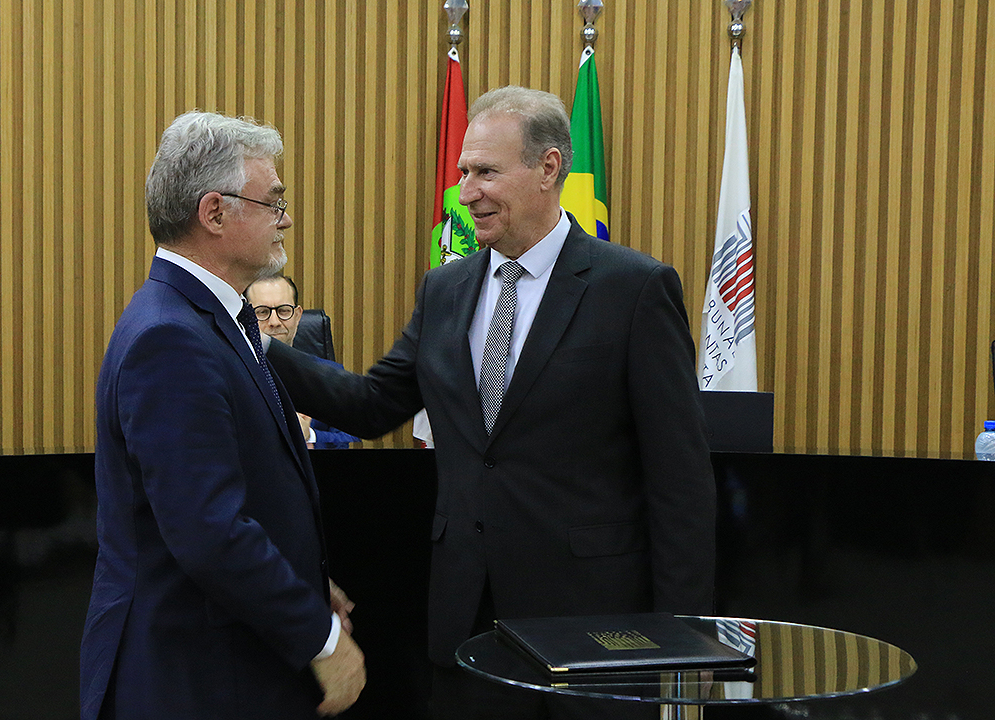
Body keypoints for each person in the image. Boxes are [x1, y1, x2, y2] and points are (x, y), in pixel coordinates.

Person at [267, 86, 716, 719]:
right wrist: (255, 343)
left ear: (549, 168)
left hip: (591, 628)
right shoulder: (445, 288)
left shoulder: (633, 289)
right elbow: (372, 404)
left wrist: (680, 645)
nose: (466, 192)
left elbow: (681, 480)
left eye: (485, 172)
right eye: (462, 173)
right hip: (467, 623)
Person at [79, 111, 365, 720]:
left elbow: (250, 487)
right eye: (273, 200)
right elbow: (210, 531)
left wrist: (308, 589)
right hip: (193, 677)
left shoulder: (208, 319)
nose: (286, 218)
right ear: (214, 213)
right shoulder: (171, 338)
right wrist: (319, 636)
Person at [246, 273, 359, 449]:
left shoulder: (329, 374)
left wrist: (309, 436)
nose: (274, 322)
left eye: (283, 311)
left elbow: (349, 439)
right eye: (262, 312)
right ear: (246, 318)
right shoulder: (233, 376)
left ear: (298, 316)